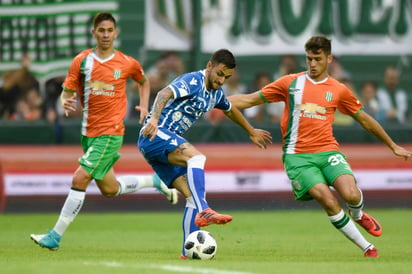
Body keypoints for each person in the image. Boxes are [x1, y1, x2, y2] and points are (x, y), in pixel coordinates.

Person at [229, 35, 412, 258]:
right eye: (309, 59)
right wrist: (216, 100)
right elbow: (248, 99)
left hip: (328, 152)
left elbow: (364, 119)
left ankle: (358, 214)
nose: (313, 64)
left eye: (317, 59)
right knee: (328, 199)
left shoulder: (338, 89)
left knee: (351, 194)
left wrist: (392, 145)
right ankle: (367, 247)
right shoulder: (290, 83)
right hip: (298, 157)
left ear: (329, 58)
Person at [30, 12, 178, 251]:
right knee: (110, 189)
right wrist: (65, 99)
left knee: (79, 178)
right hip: (88, 133)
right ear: (94, 33)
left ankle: (55, 236)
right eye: (102, 30)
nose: (106, 35)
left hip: (110, 133)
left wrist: (145, 107)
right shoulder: (82, 61)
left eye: (110, 30)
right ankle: (155, 180)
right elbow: (67, 89)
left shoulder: (127, 63)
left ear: (116, 33)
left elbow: (144, 81)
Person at [137, 49, 272, 259]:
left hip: (160, 147)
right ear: (209, 66)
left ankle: (187, 251)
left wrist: (251, 131)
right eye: (219, 74)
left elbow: (229, 109)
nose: (221, 81)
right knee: (197, 157)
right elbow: (164, 93)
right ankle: (205, 210)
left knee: (191, 196)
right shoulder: (193, 81)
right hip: (155, 134)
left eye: (226, 77)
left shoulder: (216, 93)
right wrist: (154, 119)